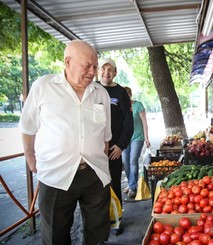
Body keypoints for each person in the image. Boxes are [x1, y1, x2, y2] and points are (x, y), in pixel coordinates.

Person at [19, 40, 112, 245]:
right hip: (55, 175)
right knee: (55, 235)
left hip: (94, 173)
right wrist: (30, 158)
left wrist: (101, 164)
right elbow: (27, 127)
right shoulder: (43, 86)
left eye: (95, 66)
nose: (92, 72)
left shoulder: (101, 93)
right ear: (68, 62)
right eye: (87, 66)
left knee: (97, 232)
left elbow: (105, 137)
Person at [97, 58, 134, 209]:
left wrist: (120, 145)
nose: (106, 72)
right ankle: (100, 220)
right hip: (94, 149)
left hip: (113, 150)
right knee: (96, 186)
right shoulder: (92, 89)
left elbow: (128, 123)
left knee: (114, 183)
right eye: (103, 69)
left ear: (115, 73)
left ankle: (116, 218)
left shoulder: (121, 93)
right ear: (98, 71)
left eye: (110, 69)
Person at [122, 86, 150, 199]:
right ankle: (130, 184)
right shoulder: (121, 107)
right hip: (124, 138)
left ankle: (133, 187)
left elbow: (144, 122)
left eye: (127, 95)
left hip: (137, 138)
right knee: (125, 162)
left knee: (133, 160)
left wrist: (147, 137)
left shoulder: (138, 105)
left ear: (130, 95)